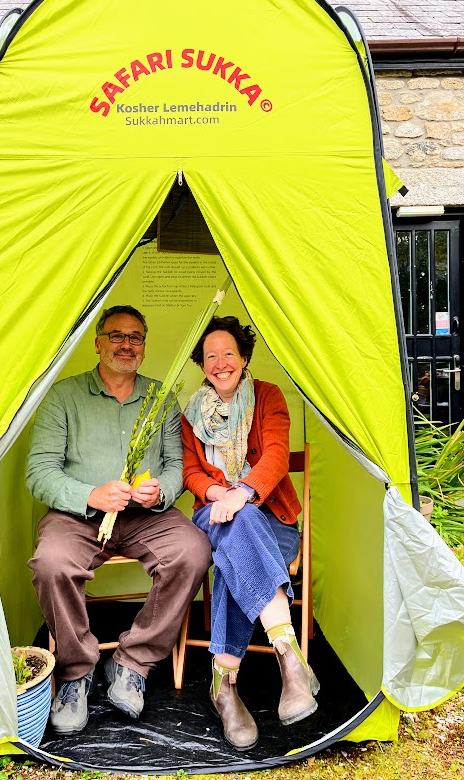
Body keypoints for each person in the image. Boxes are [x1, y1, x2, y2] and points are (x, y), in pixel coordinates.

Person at [27, 305, 212, 735]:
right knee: (52, 563)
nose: (126, 345)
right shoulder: (64, 396)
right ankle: (76, 672)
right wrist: (90, 494)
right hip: (79, 516)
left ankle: (133, 661)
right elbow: (39, 472)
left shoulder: (161, 397)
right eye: (117, 336)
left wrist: (161, 490)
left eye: (135, 337)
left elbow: (175, 465)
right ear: (98, 343)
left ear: (144, 346)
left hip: (143, 517)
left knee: (194, 550)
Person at [181, 316, 319, 751]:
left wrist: (240, 493)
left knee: (232, 558)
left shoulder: (269, 397)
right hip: (212, 515)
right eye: (210, 356)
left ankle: (224, 685)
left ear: (244, 357)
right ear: (201, 365)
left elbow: (277, 456)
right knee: (233, 530)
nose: (220, 363)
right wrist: (218, 492)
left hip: (272, 519)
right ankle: (288, 653)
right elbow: (189, 473)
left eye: (228, 353)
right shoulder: (189, 413)